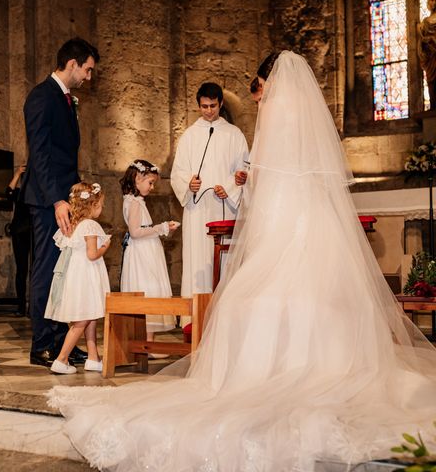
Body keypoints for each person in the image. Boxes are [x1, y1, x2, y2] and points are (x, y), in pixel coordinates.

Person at [47, 51, 436, 471]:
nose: (258, 96)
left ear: (268, 81)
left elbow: (264, 172)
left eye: (259, 86)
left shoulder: (261, 118)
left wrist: (244, 190)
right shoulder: (295, 113)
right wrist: (218, 187)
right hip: (301, 211)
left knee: (250, 298)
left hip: (279, 207)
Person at [20, 38, 100, 367]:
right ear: (72, 64)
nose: (89, 77)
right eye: (88, 69)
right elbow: (39, 155)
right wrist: (56, 200)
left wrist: (77, 197)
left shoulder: (65, 99)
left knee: (63, 272)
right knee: (46, 269)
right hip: (47, 200)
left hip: (65, 199)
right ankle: (41, 342)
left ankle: (61, 340)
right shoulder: (42, 97)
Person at [170, 82, 248, 315]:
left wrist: (231, 187)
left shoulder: (234, 135)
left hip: (224, 206)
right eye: (204, 106)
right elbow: (178, 172)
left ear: (221, 104)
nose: (208, 111)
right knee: (197, 260)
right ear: (198, 105)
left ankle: (225, 316)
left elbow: (244, 171)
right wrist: (189, 184)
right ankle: (195, 319)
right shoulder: (189, 136)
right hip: (198, 210)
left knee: (223, 263)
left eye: (213, 106)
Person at [44, 182, 110, 375]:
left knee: (89, 316)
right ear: (92, 205)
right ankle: (61, 360)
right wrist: (105, 246)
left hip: (77, 276)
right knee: (82, 320)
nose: (101, 208)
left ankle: (93, 358)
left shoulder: (74, 225)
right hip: (86, 277)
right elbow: (92, 254)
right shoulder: (90, 225)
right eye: (100, 205)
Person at [120, 160, 180, 355]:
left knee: (149, 291)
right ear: (138, 178)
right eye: (150, 182)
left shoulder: (135, 201)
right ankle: (146, 344)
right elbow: (136, 232)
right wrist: (162, 228)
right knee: (147, 289)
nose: (152, 187)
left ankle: (149, 344)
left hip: (145, 250)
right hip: (142, 254)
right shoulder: (134, 202)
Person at [5, 165, 30, 316]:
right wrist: (17, 173)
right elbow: (8, 193)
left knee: (35, 270)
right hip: (20, 233)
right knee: (21, 270)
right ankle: (21, 306)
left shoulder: (38, 194)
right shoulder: (20, 193)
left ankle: (34, 306)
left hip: (35, 234)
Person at [418, 0, 436, 109]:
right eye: (432, 0)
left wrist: (433, 39)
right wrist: (424, 41)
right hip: (430, 55)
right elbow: (421, 40)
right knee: (431, 81)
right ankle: (434, 105)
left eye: (435, 0)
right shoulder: (425, 21)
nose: (434, 2)